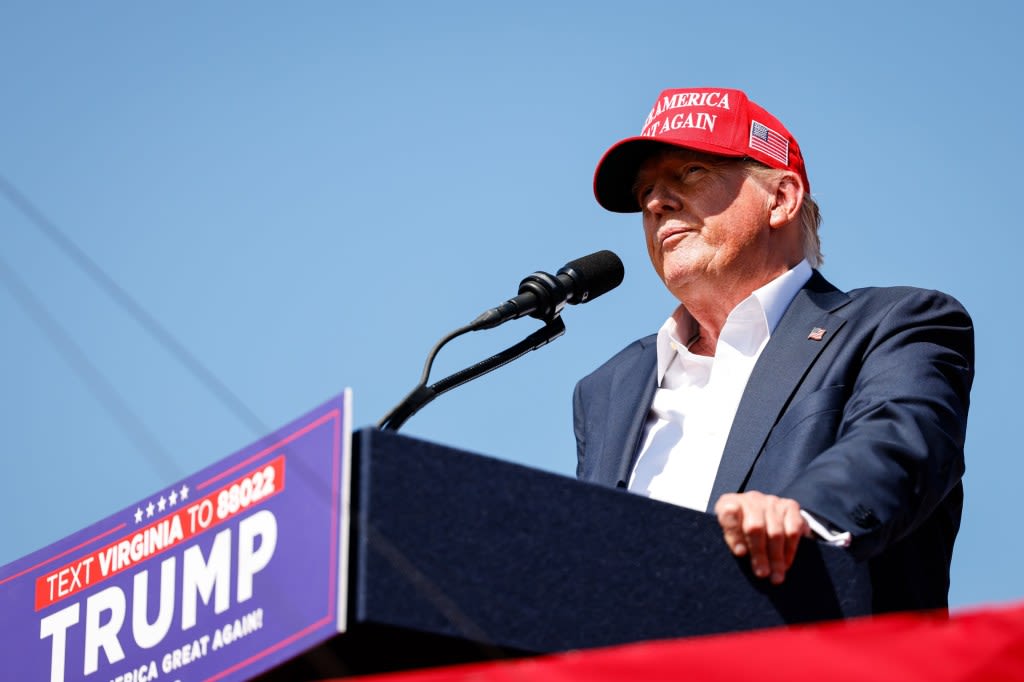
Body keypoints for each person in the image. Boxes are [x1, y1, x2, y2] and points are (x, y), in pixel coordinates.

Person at [573, 87, 973, 612]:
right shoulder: (609, 387)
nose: (654, 202)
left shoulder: (896, 324)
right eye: (645, 189)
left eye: (690, 173)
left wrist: (803, 513)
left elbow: (900, 444)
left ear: (781, 198)